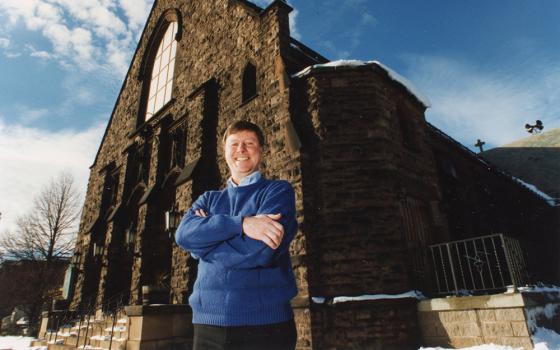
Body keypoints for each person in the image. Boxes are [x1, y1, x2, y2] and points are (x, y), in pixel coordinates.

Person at [175, 120, 298, 350]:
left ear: (261, 151)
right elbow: (183, 235)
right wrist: (241, 224)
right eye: (234, 144)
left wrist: (202, 246)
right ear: (225, 152)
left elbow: (260, 252)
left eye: (249, 143)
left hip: (265, 326)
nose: (240, 150)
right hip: (207, 326)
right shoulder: (208, 199)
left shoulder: (277, 191)